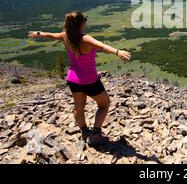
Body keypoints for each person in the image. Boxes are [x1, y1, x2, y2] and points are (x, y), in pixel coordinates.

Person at [28, 11, 131, 145]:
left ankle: (84, 131)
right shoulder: (85, 39)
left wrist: (38, 33)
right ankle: (95, 132)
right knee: (104, 104)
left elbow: (51, 35)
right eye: (85, 20)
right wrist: (118, 52)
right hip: (90, 80)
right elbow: (102, 46)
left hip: (73, 79)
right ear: (82, 23)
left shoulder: (66, 36)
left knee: (79, 107)